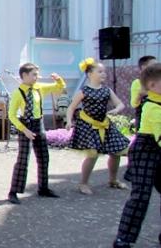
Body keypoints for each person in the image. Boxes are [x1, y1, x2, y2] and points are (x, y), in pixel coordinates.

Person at [113, 62, 161, 247]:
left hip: (157, 151)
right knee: (141, 196)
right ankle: (123, 239)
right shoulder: (152, 107)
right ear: (151, 86)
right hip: (145, 152)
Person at [66, 58, 130, 195]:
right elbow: (71, 108)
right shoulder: (84, 91)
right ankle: (83, 183)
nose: (103, 74)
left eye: (104, 72)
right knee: (92, 155)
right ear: (89, 74)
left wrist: (116, 109)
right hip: (88, 126)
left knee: (116, 151)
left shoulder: (107, 90)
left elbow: (120, 104)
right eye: (99, 71)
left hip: (105, 125)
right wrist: (69, 121)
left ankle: (113, 180)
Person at [7, 62, 66, 204]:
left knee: (44, 158)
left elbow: (59, 87)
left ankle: (43, 188)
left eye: (37, 74)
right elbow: (12, 115)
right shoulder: (18, 92)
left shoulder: (39, 88)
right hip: (25, 126)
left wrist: (58, 79)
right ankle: (13, 192)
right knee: (23, 160)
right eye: (34, 74)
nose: (37, 77)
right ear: (24, 75)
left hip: (38, 124)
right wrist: (25, 130)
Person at [130, 55, 157, 131]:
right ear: (143, 67)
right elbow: (133, 104)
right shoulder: (137, 83)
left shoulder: (158, 83)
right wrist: (140, 95)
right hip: (143, 119)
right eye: (153, 65)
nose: (156, 68)